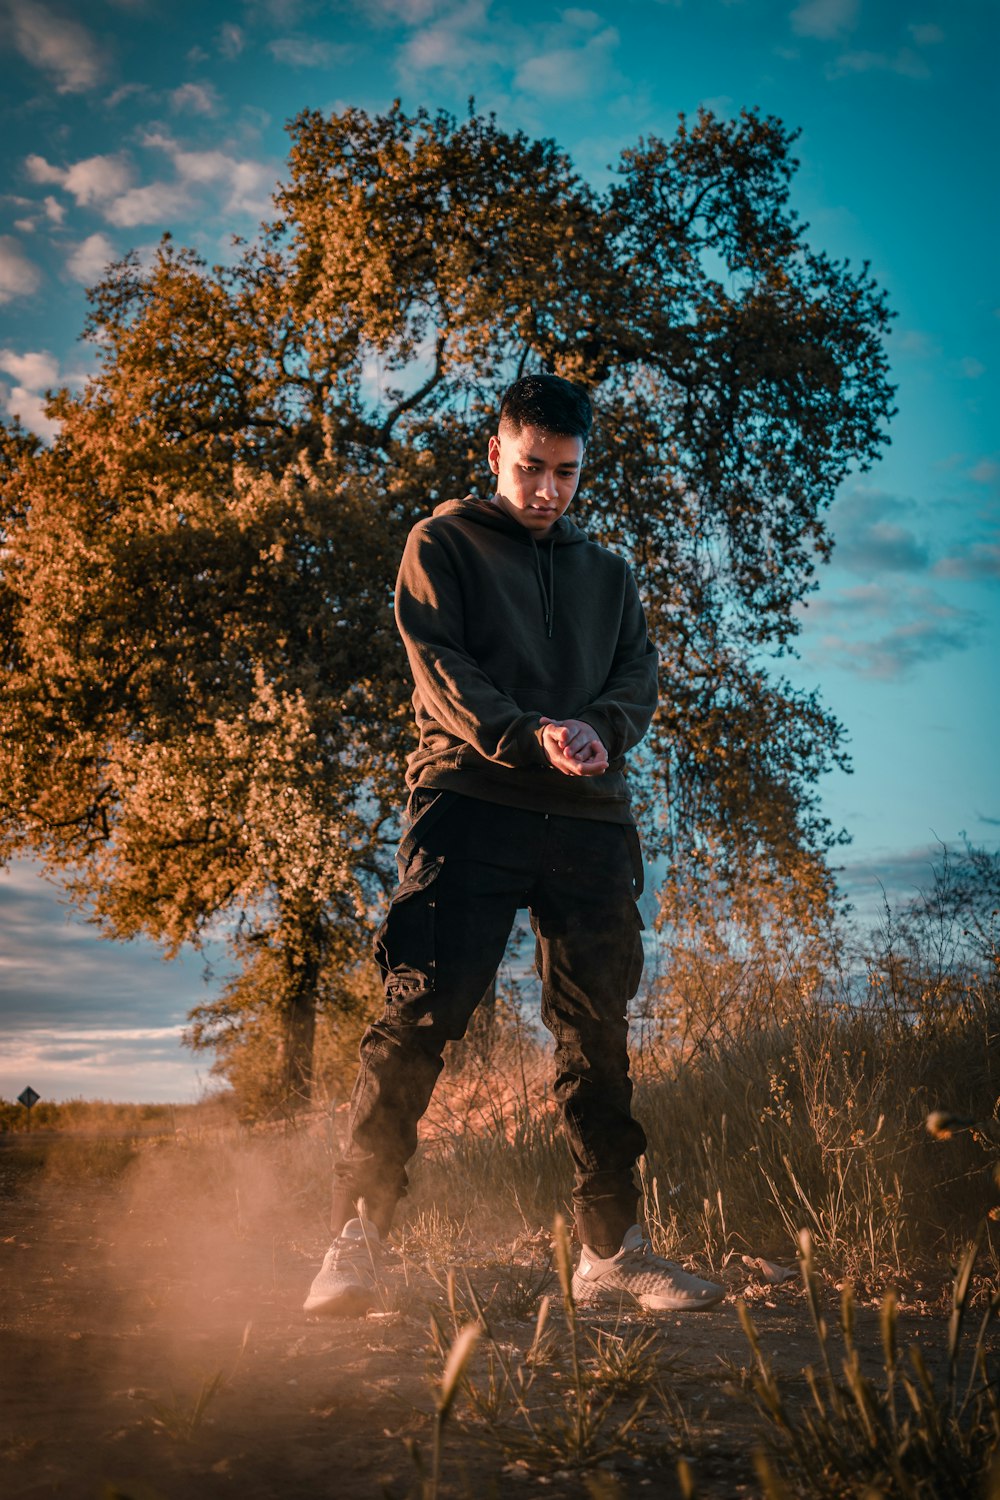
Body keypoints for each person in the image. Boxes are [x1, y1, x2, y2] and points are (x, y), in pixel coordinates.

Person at [304, 374, 724, 1316]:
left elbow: (637, 677)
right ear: (494, 453)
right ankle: (354, 1241)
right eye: (530, 468)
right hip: (469, 803)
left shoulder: (608, 575)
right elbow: (437, 662)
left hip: (588, 822)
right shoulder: (441, 543)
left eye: (566, 474)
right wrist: (527, 730)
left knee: (597, 1038)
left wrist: (603, 733)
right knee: (417, 1020)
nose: (547, 491)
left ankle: (611, 1255)